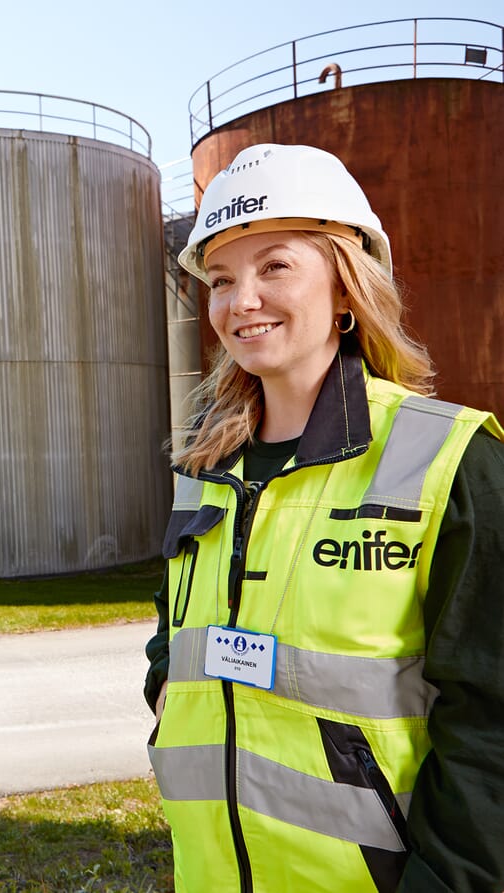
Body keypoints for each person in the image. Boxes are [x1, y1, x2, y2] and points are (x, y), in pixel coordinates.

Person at [144, 143, 504, 892]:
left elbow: (491, 722)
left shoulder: (448, 460)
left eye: (275, 266)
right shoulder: (205, 472)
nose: (241, 301)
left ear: (347, 286)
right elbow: (169, 647)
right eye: (220, 280)